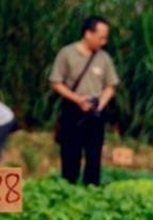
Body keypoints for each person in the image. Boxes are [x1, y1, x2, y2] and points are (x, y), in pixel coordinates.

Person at [50, 16, 119, 186]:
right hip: (73, 109)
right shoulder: (67, 53)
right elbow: (55, 82)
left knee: (94, 155)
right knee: (70, 153)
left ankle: (92, 190)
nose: (104, 42)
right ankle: (68, 188)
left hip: (96, 111)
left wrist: (101, 103)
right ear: (88, 34)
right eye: (101, 37)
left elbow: (111, 85)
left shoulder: (104, 58)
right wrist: (77, 99)